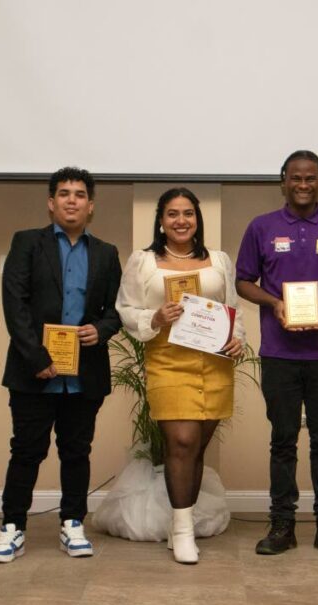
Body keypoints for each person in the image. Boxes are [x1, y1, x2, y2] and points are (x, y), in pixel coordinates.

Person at [236, 150, 318, 556]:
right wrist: (274, 303)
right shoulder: (261, 227)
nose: (304, 185)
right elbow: (243, 281)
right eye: (296, 178)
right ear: (283, 181)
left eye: (311, 178)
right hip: (279, 353)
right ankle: (282, 525)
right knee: (283, 441)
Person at [0, 167, 122, 563]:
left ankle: (72, 523)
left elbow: (115, 311)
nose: (71, 200)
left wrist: (100, 330)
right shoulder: (27, 243)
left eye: (80, 194)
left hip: (85, 374)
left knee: (77, 451)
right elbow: (15, 304)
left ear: (90, 205)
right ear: (51, 203)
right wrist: (37, 357)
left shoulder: (106, 253)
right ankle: (12, 527)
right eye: (63, 193)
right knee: (26, 451)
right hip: (33, 373)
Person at [116, 188, 245, 564]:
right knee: (182, 441)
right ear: (161, 220)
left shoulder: (218, 260)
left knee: (198, 444)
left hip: (214, 361)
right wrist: (154, 318)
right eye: (173, 214)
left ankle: (180, 524)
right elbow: (126, 308)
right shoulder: (143, 262)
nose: (181, 221)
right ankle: (184, 529)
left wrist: (236, 340)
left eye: (188, 213)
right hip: (168, 358)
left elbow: (232, 306)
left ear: (197, 219)